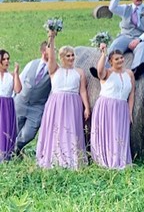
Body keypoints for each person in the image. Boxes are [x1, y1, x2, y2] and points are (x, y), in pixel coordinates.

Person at [36, 30, 90, 169]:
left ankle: (72, 158)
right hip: (56, 103)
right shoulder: (54, 69)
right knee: (55, 129)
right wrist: (51, 38)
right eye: (68, 55)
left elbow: (82, 90)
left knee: (71, 129)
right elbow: (51, 56)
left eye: (72, 55)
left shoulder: (79, 72)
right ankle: (54, 157)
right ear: (62, 57)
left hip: (73, 103)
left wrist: (87, 107)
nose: (71, 58)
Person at [90, 45, 135, 168]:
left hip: (122, 107)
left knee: (119, 134)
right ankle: (106, 161)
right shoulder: (107, 73)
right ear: (110, 61)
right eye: (116, 59)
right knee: (107, 133)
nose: (120, 60)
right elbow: (99, 71)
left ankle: (120, 160)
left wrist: (130, 112)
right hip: (106, 106)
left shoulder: (129, 73)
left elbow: (132, 94)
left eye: (121, 58)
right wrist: (103, 54)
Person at [101, 0, 144, 80]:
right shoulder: (125, 8)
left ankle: (135, 71)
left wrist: (139, 40)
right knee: (115, 45)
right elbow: (112, 8)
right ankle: (105, 70)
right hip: (126, 36)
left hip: (141, 38)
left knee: (143, 48)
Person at [14, 41, 51, 154]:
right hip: (21, 102)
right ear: (44, 52)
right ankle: (9, 152)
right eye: (51, 50)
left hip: (37, 108)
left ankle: (16, 147)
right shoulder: (31, 64)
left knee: (28, 134)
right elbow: (20, 79)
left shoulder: (53, 70)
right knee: (14, 129)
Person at [0, 50, 22, 161]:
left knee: (6, 129)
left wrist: (16, 73)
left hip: (7, 105)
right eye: (4, 59)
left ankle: (6, 155)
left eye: (8, 58)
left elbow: (18, 90)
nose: (6, 61)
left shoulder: (11, 76)